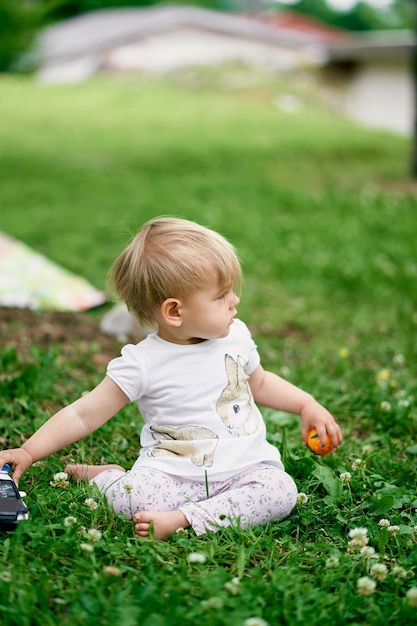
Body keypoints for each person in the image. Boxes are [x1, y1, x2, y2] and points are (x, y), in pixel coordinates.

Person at [0, 217, 343, 540]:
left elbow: (261, 383)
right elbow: (83, 413)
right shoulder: (143, 362)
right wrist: (30, 451)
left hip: (246, 470)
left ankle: (182, 520)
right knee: (133, 500)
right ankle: (107, 478)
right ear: (175, 312)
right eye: (221, 295)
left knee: (280, 492)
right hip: (172, 475)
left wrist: (305, 404)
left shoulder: (235, 335)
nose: (235, 300)